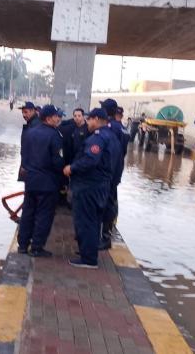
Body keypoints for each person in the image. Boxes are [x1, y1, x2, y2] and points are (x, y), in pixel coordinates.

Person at [63, 108, 114, 269]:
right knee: (94, 222)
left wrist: (72, 168)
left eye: (89, 120)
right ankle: (88, 253)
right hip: (102, 185)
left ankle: (89, 259)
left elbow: (90, 160)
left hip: (89, 187)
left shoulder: (98, 138)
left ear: (97, 119)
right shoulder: (112, 137)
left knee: (86, 222)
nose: (88, 123)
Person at [17, 105, 65, 257]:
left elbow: (23, 155)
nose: (58, 118)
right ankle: (37, 247)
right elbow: (58, 162)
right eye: (56, 116)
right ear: (48, 118)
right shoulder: (55, 135)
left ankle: (23, 245)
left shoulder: (30, 132)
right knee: (43, 215)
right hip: (47, 183)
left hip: (30, 180)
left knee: (28, 213)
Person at [99, 99, 127, 250]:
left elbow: (110, 149)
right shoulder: (122, 127)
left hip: (110, 167)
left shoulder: (110, 128)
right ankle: (107, 231)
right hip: (117, 167)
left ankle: (105, 236)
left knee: (107, 200)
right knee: (111, 198)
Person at [18, 102, 41, 182]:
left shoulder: (35, 126)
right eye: (22, 113)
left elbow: (32, 150)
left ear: (33, 111)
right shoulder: (31, 124)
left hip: (32, 169)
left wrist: (25, 166)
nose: (24, 115)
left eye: (26, 112)